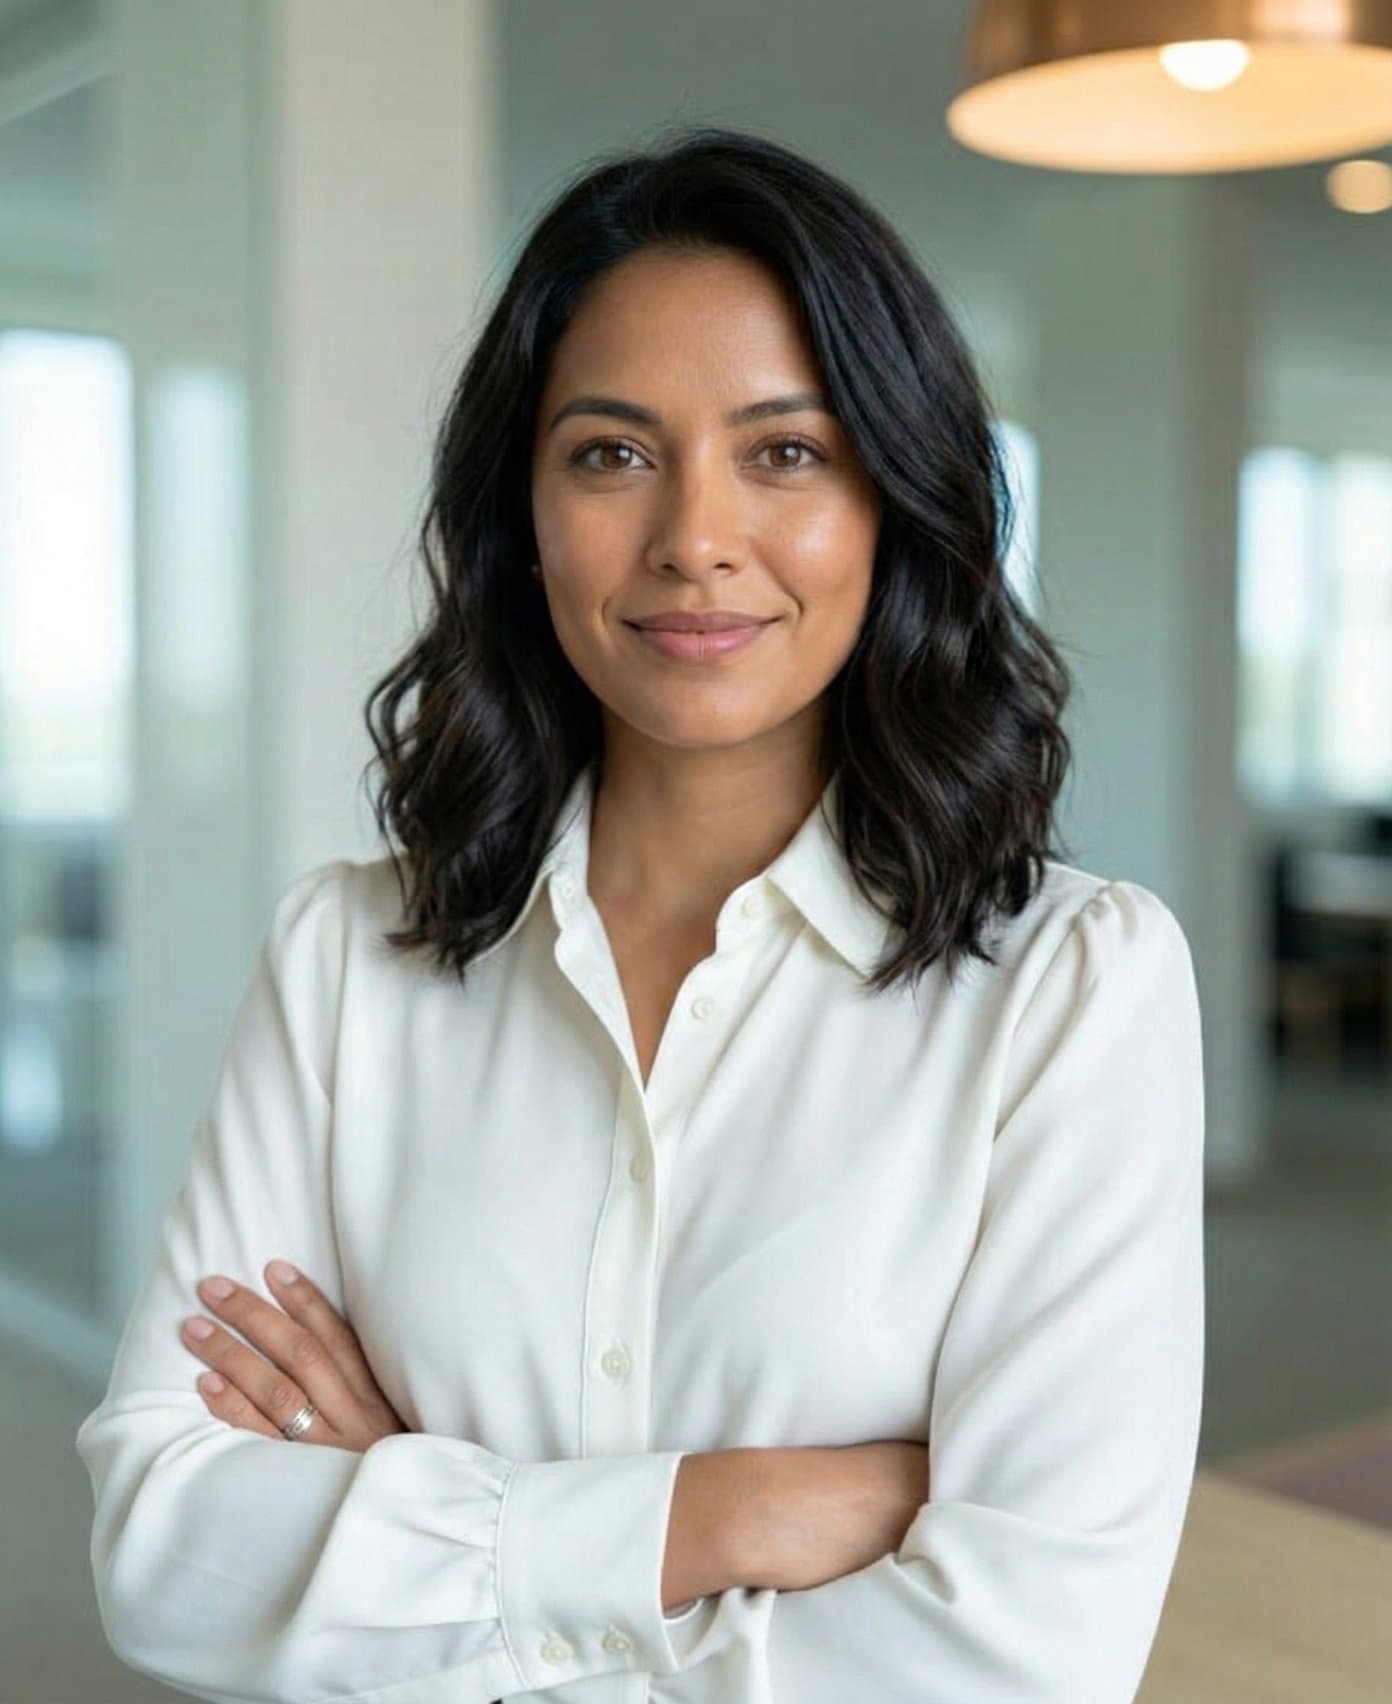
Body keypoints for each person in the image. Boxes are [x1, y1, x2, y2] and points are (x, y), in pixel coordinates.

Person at [75, 123, 1205, 1703]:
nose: (694, 540)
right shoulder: (346, 956)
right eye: (611, 452)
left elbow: (1027, 1657)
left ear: (896, 503)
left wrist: (416, 1521)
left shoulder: (1073, 988)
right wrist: (719, 1513)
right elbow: (163, 1551)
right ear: (519, 515)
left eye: (786, 452)